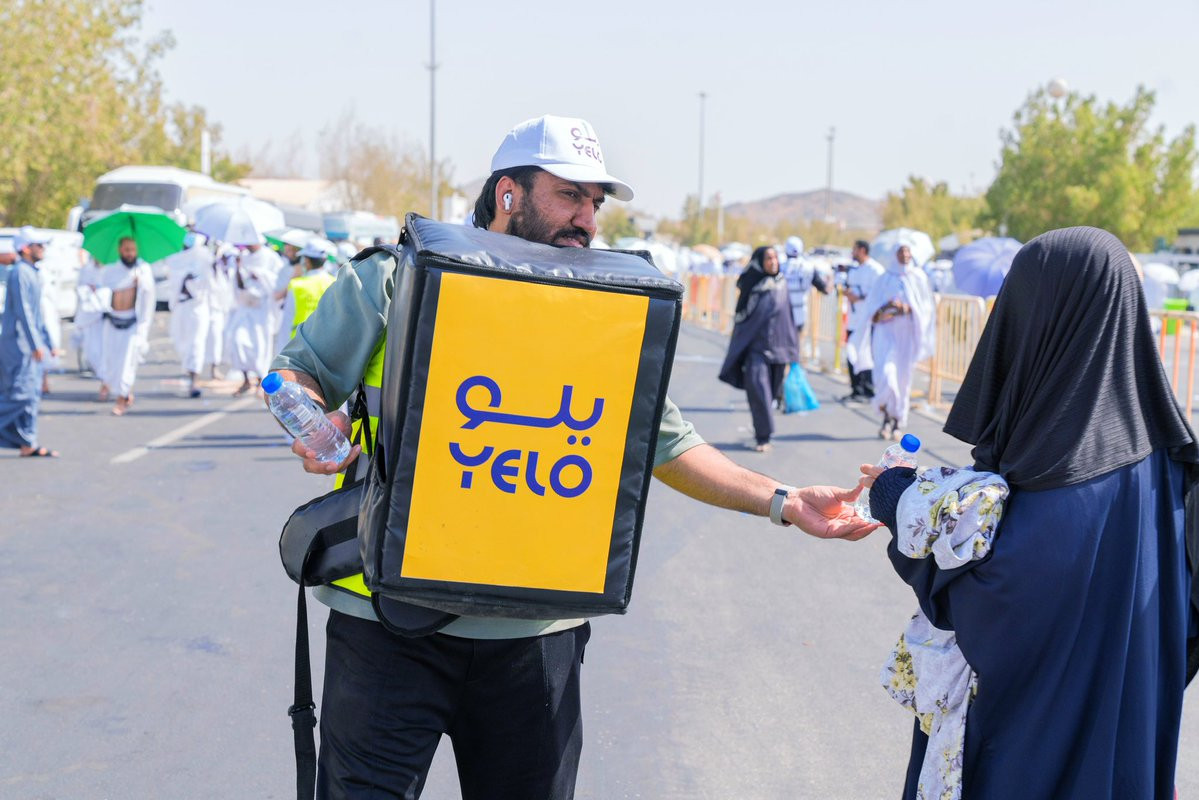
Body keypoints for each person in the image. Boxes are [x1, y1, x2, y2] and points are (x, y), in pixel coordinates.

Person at [271, 114, 878, 800]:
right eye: (569, 195)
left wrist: (785, 502)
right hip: (385, 626)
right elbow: (298, 372)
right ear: (508, 193)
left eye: (595, 202)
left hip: (535, 637)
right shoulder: (393, 278)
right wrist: (311, 422)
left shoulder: (604, 308)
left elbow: (666, 443)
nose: (586, 218)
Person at [868, 227, 1197, 799]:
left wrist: (898, 501)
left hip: (1025, 757)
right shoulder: (1174, 468)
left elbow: (991, 602)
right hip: (1125, 748)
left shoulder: (1059, 473)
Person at [718, 245, 799, 452]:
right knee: (759, 392)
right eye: (768, 258)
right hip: (756, 351)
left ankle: (763, 429)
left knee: (771, 394)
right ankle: (763, 436)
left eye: (775, 258)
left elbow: (788, 318)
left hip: (779, 350)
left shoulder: (782, 284)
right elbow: (743, 318)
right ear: (759, 263)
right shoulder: (753, 287)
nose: (773, 262)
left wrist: (793, 351)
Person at [861, 243, 934, 440]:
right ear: (894, 254)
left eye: (908, 250)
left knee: (902, 379)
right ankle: (886, 415)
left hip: (906, 337)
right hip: (885, 335)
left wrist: (907, 309)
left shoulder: (918, 277)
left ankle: (895, 422)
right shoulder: (884, 278)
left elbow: (926, 308)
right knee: (886, 375)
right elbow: (872, 310)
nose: (905, 254)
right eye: (901, 250)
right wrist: (888, 307)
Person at [0, 227, 59, 456]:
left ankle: (28, 443)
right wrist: (35, 345)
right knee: (20, 395)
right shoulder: (20, 273)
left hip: (29, 344)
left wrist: (48, 342)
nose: (42, 249)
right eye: (38, 245)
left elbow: (37, 315)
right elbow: (23, 311)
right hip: (18, 345)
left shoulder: (31, 272)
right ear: (26, 248)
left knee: (32, 393)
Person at [98, 237, 156, 416]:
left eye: (133, 250)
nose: (130, 253)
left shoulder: (143, 270)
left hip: (131, 324)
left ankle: (121, 399)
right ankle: (121, 389)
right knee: (111, 361)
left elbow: (149, 300)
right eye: (126, 250)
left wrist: (141, 283)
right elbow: (102, 292)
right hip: (112, 321)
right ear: (120, 251)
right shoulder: (111, 271)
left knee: (127, 363)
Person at [166, 232, 215, 397]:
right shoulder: (177, 261)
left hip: (198, 308)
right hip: (182, 308)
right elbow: (174, 284)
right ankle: (190, 371)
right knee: (183, 343)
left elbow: (210, 284)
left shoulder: (205, 262)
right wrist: (184, 278)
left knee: (196, 343)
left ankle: (194, 379)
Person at [225, 240, 277, 396]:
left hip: (262, 310)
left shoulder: (270, 257)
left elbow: (277, 282)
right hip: (245, 308)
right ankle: (246, 378)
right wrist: (238, 267)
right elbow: (239, 285)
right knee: (237, 341)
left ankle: (261, 380)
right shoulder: (243, 257)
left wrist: (260, 275)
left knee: (260, 346)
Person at [843, 239, 885, 403]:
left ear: (862, 250)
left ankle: (867, 389)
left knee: (866, 355)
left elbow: (880, 294)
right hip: (853, 320)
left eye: (854, 249)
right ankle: (856, 388)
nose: (852, 252)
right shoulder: (854, 269)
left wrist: (859, 297)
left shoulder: (875, 270)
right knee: (852, 353)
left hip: (867, 321)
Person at [780, 235, 829, 359]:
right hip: (800, 314)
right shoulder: (808, 267)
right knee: (796, 344)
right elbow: (824, 288)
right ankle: (793, 365)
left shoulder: (779, 267)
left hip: (781, 313)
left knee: (781, 345)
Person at [279, 239, 334, 343]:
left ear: (307, 261)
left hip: (299, 342)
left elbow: (287, 321)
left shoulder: (296, 285)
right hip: (325, 342)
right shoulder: (334, 282)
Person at [205, 243, 237, 379]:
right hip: (214, 308)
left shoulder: (232, 269)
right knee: (215, 337)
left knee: (230, 339)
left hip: (230, 308)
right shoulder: (212, 267)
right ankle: (214, 367)